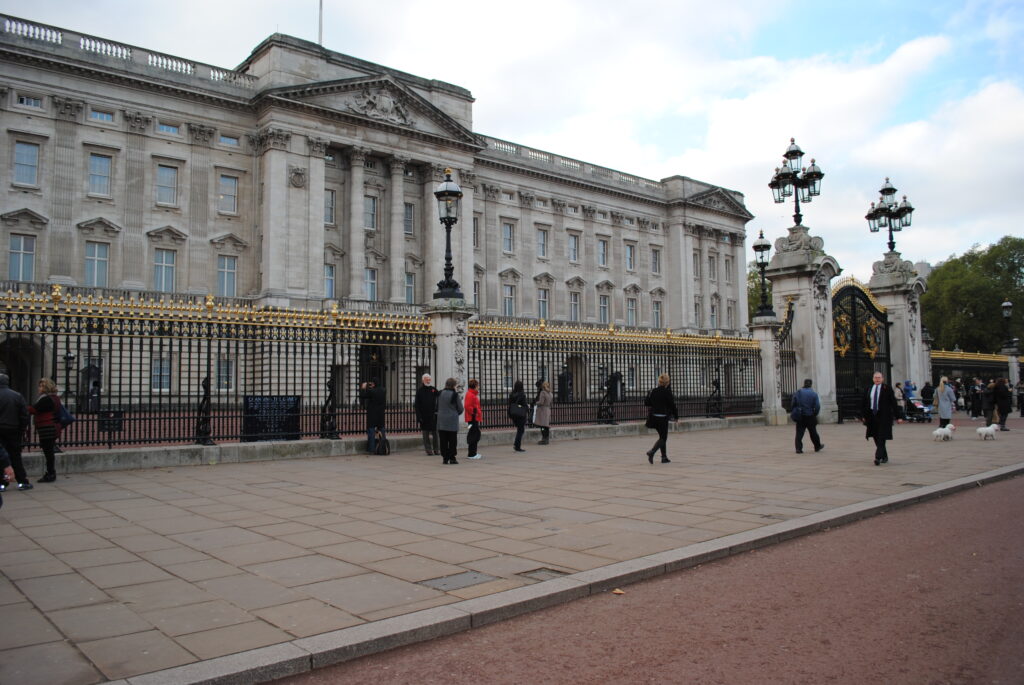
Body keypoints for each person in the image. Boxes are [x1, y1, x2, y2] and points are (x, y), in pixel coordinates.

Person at [861, 371, 901, 466]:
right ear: (873, 379)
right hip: (872, 416)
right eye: (875, 377)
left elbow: (893, 403)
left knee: (881, 437)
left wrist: (898, 416)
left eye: (879, 377)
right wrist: (863, 415)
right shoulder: (869, 388)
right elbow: (864, 402)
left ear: (882, 379)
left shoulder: (887, 388)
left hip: (884, 416)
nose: (877, 379)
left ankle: (878, 457)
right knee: (875, 436)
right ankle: (884, 456)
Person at [29, 378, 64, 483]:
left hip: (47, 427)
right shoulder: (55, 398)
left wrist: (21, 407)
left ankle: (50, 473)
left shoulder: (46, 399)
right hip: (52, 426)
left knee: (48, 452)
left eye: (41, 386)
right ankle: (50, 472)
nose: (39, 388)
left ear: (45, 388)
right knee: (49, 452)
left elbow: (34, 409)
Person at [0, 373, 31, 491]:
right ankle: (22, 481)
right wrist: (21, 429)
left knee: (1, 457)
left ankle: (2, 483)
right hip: (13, 430)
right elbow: (24, 415)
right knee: (15, 457)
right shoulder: (17, 396)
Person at [644, 373, 678, 464]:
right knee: (663, 437)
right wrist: (676, 416)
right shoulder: (667, 392)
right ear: (667, 382)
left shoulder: (653, 391)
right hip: (662, 418)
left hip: (653, 417)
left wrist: (648, 395)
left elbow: (647, 403)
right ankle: (652, 452)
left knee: (662, 437)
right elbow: (672, 405)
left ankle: (664, 457)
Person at [791, 378, 824, 454]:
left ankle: (798, 448)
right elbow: (817, 406)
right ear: (811, 384)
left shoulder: (798, 392)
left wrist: (795, 410)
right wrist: (814, 414)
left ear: (804, 383)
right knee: (813, 432)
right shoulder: (814, 394)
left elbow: (793, 403)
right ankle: (817, 446)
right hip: (810, 415)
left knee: (799, 433)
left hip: (800, 415)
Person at [436, 378, 463, 465]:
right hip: (452, 420)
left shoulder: (440, 393)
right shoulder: (454, 395)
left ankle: (445, 458)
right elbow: (460, 408)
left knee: (443, 440)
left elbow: (436, 406)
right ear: (453, 385)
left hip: (441, 420)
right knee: (452, 440)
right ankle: (452, 458)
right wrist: (455, 413)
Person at [414, 373, 440, 456]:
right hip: (424, 416)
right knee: (425, 434)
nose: (428, 380)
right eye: (426, 379)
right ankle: (428, 449)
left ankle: (436, 449)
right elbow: (417, 405)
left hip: (433, 415)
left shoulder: (433, 389)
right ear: (423, 380)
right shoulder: (419, 391)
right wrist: (419, 417)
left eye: (429, 379)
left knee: (435, 433)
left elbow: (439, 396)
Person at [359, 380, 386, 454]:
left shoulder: (371, 391)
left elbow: (362, 396)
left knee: (371, 432)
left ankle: (371, 449)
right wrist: (372, 387)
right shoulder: (383, 390)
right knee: (382, 430)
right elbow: (376, 391)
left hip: (372, 414)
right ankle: (382, 447)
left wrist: (363, 387)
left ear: (373, 384)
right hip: (380, 414)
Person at [508, 380, 528, 452]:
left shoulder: (512, 394)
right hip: (520, 414)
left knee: (519, 430)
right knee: (521, 430)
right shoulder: (522, 394)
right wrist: (527, 409)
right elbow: (524, 404)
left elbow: (510, 404)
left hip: (513, 413)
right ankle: (517, 446)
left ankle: (516, 444)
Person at [464, 379, 482, 460]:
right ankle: (472, 454)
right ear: (475, 386)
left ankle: (473, 453)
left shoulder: (472, 394)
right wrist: (475, 412)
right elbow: (467, 406)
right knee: (474, 435)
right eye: (478, 386)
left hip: (473, 418)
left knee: (475, 434)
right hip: (472, 419)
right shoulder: (470, 394)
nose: (479, 387)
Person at [534, 380, 553, 445]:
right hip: (548, 409)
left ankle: (543, 439)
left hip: (542, 410)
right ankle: (546, 439)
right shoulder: (550, 393)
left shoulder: (543, 392)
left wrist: (536, 403)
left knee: (542, 426)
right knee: (546, 426)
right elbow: (551, 403)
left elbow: (541, 402)